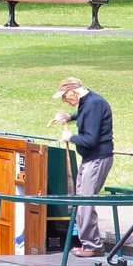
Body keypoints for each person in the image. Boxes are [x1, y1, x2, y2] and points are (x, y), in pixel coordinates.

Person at [50, 76, 115, 255]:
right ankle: (88, 244)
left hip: (97, 158)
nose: (65, 100)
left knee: (85, 201)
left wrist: (71, 138)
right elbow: (85, 114)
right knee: (80, 199)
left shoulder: (94, 103)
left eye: (65, 96)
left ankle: (93, 247)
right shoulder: (88, 101)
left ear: (73, 91)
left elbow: (90, 139)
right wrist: (70, 117)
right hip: (91, 159)